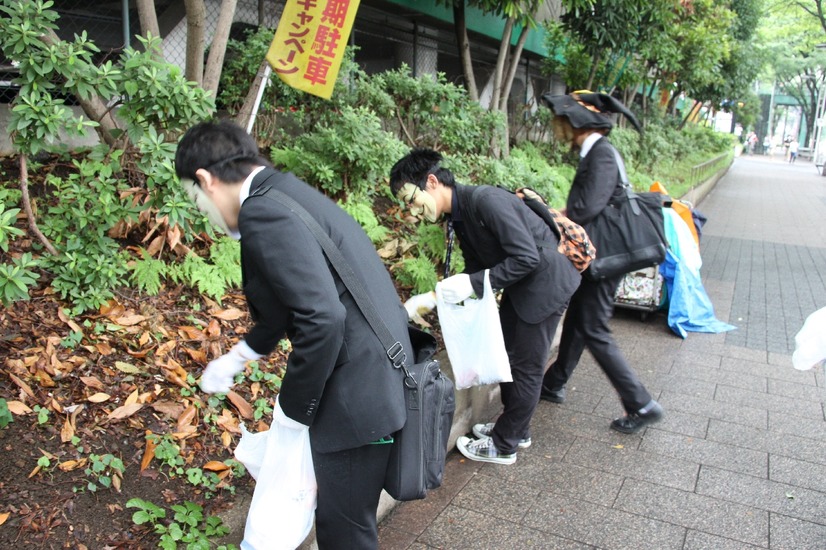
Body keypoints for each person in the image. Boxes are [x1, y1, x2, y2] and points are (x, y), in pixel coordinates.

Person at [175, 120, 413, 549]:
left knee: (346, 530)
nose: (203, 212)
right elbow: (292, 302)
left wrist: (293, 412)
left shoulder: (263, 211)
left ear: (206, 181)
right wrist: (240, 355)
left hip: (359, 398)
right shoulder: (283, 192)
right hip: (379, 377)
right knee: (346, 521)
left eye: (196, 199)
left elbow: (323, 319)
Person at [390, 148, 580, 465]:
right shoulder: (459, 216)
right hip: (522, 287)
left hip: (546, 285)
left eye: (411, 200)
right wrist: (435, 299)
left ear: (432, 182)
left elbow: (527, 258)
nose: (411, 211)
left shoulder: (485, 201)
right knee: (509, 355)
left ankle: (506, 444)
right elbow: (479, 266)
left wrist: (474, 284)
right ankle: (515, 427)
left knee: (527, 366)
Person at [539, 91, 664, 434]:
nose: (557, 127)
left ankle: (641, 403)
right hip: (600, 254)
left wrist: (550, 214)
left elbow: (585, 209)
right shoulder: (595, 152)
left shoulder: (602, 155)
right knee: (580, 317)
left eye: (562, 120)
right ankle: (553, 383)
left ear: (576, 122)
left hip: (605, 256)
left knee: (593, 327)